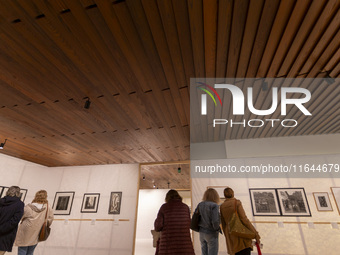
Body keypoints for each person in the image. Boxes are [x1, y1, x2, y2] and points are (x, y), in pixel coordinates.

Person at [220, 187, 260, 255]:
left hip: (231, 236)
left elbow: (223, 224)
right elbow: (244, 220)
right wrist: (255, 234)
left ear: (224, 195)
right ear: (233, 193)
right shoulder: (236, 203)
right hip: (241, 235)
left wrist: (227, 236)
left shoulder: (222, 206)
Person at [154, 189, 195, 255]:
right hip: (184, 245)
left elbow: (158, 227)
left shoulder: (164, 207)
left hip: (168, 246)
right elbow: (189, 223)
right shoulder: (185, 207)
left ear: (167, 197)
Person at [15, 190, 54, 255]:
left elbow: (21, 216)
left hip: (26, 230)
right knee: (30, 251)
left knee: (22, 249)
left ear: (36, 196)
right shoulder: (47, 207)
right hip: (37, 231)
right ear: (45, 197)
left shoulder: (29, 206)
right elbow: (50, 219)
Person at [0, 186, 25, 255]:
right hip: (6, 234)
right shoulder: (20, 204)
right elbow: (14, 221)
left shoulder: (1, 201)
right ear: (18, 193)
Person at [195, 188, 220, 255]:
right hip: (211, 232)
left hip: (202, 233)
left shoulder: (200, 204)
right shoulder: (214, 205)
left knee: (204, 253)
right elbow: (215, 221)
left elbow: (196, 217)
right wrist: (217, 229)